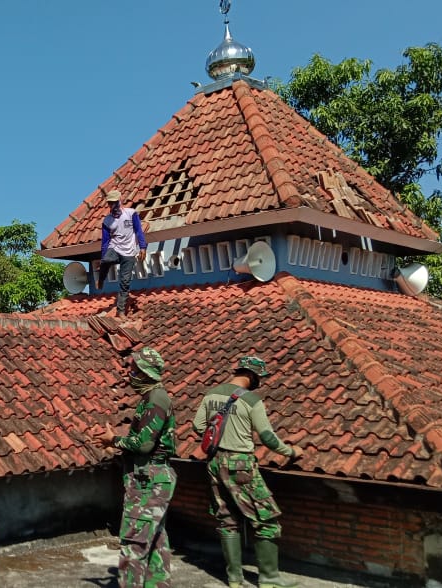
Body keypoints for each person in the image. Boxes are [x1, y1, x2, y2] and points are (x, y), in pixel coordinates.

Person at [192, 356, 305, 588]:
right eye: (259, 378)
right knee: (267, 519)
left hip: (214, 463)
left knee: (227, 520)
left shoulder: (211, 394)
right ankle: (270, 579)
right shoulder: (252, 400)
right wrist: (291, 451)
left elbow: (198, 426)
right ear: (252, 376)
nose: (259, 383)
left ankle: (234, 578)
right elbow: (267, 437)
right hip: (240, 464)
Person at [94, 347, 177, 588]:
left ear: (144, 372)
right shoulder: (152, 398)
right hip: (151, 476)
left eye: (133, 369)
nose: (129, 373)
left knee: (134, 543)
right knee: (155, 541)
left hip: (148, 478)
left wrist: (115, 440)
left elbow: (144, 445)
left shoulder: (156, 399)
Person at [96, 189, 147, 316]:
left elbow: (139, 231)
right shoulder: (107, 221)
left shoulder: (131, 214)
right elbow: (105, 241)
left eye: (114, 202)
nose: (112, 206)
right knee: (106, 260)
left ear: (120, 201)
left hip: (129, 253)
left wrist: (142, 247)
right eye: (110, 203)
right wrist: (103, 258)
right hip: (114, 248)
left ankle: (120, 311)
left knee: (125, 282)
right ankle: (101, 279)